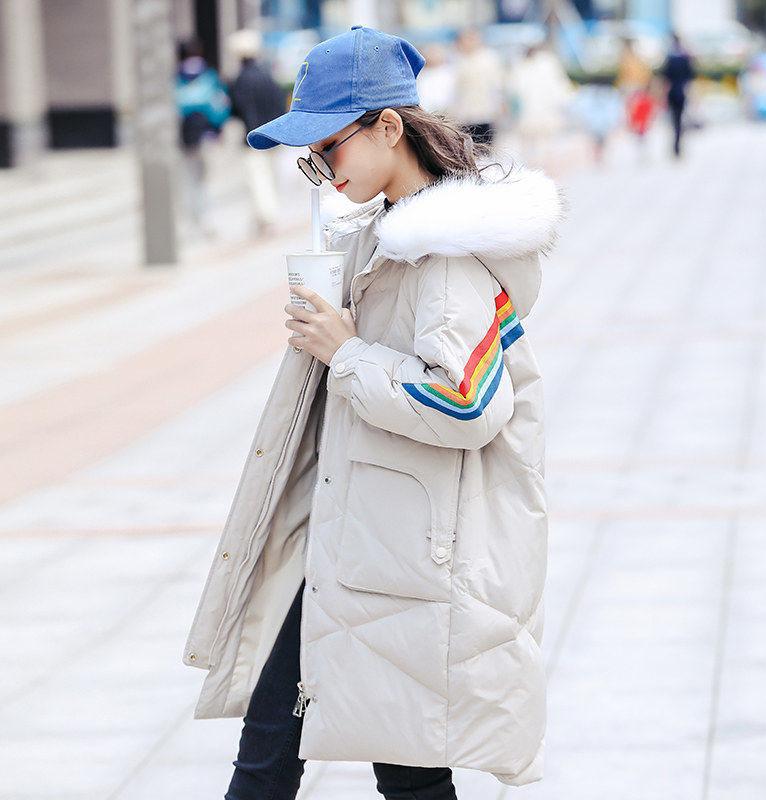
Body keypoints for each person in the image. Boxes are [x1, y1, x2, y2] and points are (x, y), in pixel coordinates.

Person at [181, 24, 564, 800]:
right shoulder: (385, 235)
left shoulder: (444, 257)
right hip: (357, 543)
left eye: (329, 150)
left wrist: (346, 351)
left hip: (400, 560)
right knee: (287, 753)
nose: (322, 173)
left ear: (389, 127)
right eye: (311, 160)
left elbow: (467, 402)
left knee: (367, 770)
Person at [227, 29, 286, 237]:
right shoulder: (267, 76)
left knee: (258, 180)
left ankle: (267, 219)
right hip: (272, 136)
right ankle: (262, 219)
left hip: (252, 138)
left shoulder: (240, 81)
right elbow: (279, 104)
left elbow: (235, 109)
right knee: (269, 177)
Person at [175, 37, 231, 233]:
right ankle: (207, 221)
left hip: (185, 137)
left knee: (188, 179)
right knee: (205, 179)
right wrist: (218, 129)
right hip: (207, 136)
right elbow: (221, 105)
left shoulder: (176, 79)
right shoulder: (209, 77)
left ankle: (192, 221)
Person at [449, 27, 505, 147]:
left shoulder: (489, 59)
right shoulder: (456, 61)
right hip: (463, 115)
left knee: (485, 148)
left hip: (485, 112)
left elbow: (497, 85)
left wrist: (500, 105)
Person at [659, 31, 696, 158]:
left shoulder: (670, 58)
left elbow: (665, 77)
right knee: (678, 119)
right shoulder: (685, 57)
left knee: (674, 120)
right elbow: (690, 76)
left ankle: (676, 144)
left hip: (672, 93)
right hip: (681, 92)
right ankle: (677, 144)